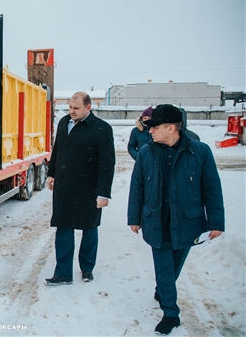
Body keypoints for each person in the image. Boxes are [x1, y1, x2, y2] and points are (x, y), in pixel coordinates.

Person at [127, 104, 224, 335]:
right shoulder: (146, 153)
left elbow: (211, 188)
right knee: (164, 265)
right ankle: (171, 313)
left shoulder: (200, 151)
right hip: (156, 221)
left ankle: (163, 288)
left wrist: (216, 222)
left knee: (173, 267)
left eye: (155, 127)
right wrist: (134, 217)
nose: (150, 131)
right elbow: (137, 187)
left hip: (187, 222)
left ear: (171, 128)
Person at [45, 91, 115, 286]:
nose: (72, 112)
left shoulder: (101, 129)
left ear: (88, 108)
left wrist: (103, 193)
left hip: (88, 187)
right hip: (64, 187)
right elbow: (57, 150)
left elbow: (107, 164)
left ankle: (87, 268)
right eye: (70, 108)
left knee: (89, 228)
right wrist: (51, 174)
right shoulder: (64, 123)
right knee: (63, 227)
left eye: (76, 108)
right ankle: (63, 273)